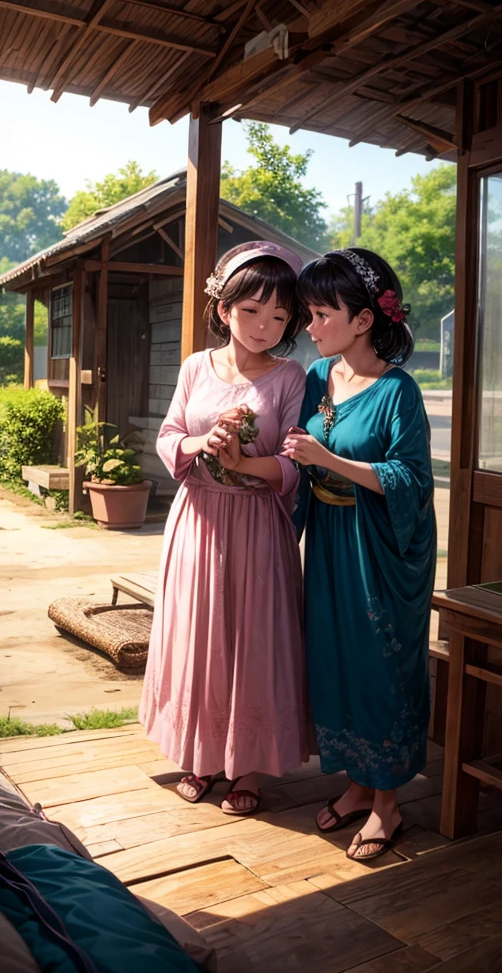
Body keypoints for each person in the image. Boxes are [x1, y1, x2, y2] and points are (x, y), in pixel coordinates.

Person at [140, 241, 310, 815]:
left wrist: (243, 463)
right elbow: (167, 436)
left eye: (280, 316)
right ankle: (203, 754)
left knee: (254, 641)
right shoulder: (195, 367)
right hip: (197, 521)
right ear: (223, 309)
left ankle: (251, 766)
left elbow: (293, 462)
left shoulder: (292, 377)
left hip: (258, 526)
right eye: (252, 310)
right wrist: (198, 443)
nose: (265, 326)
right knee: (200, 637)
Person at [283, 247, 436, 860]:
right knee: (334, 660)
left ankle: (388, 804)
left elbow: (412, 479)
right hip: (327, 543)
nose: (310, 326)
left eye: (321, 314)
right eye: (310, 313)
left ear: (365, 319)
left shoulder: (398, 391)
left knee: (380, 669)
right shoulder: (318, 378)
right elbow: (298, 453)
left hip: (379, 551)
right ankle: (354, 785)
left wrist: (329, 460)